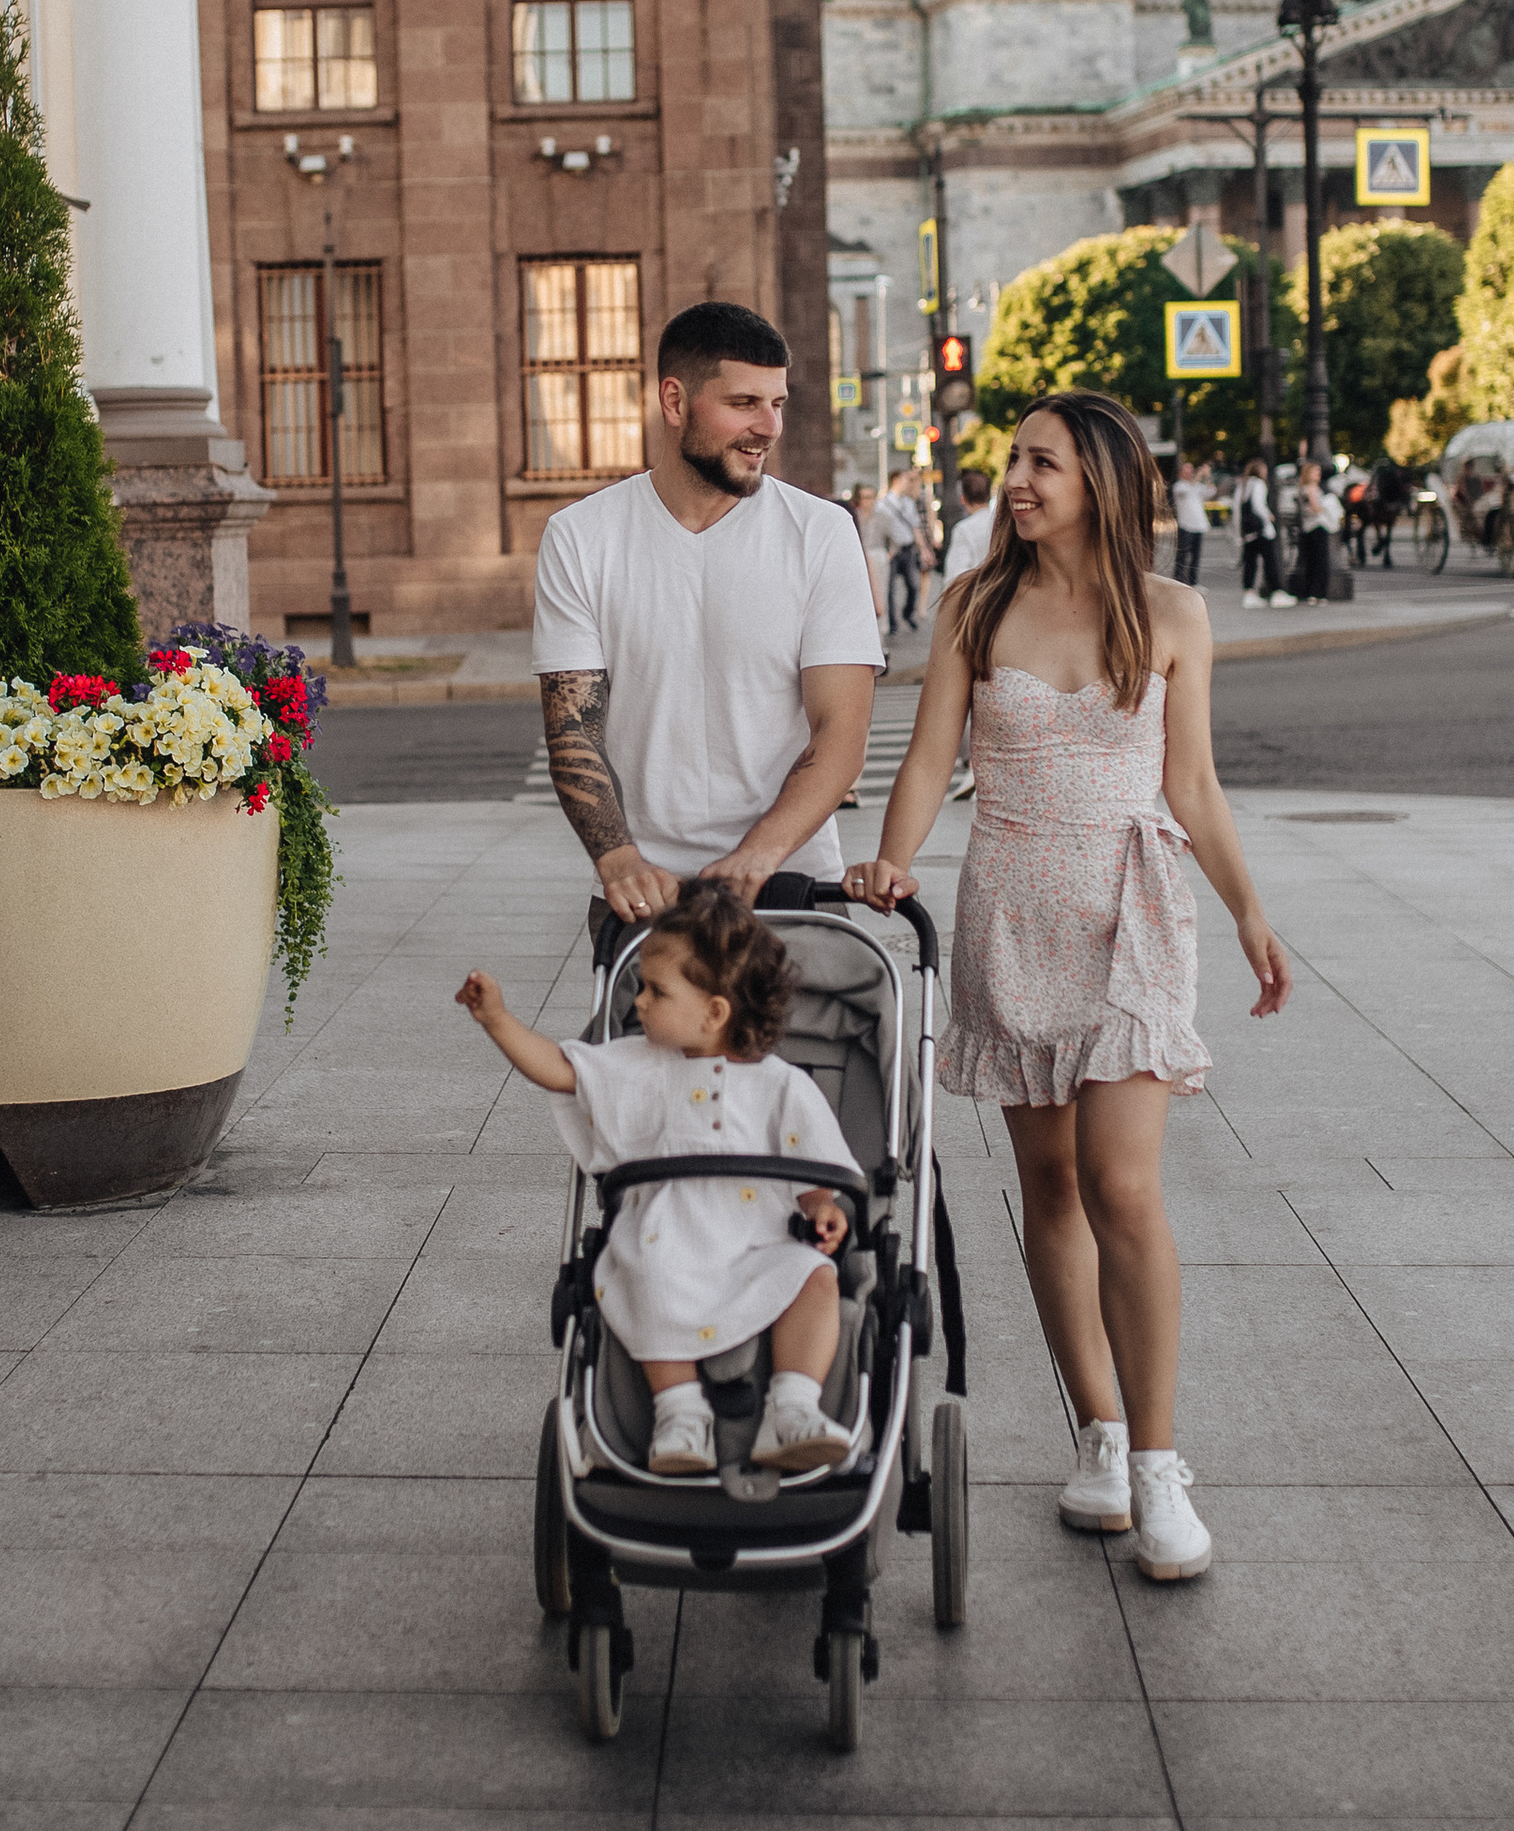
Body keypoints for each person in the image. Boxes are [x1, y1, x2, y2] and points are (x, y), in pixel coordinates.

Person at [847, 391, 1292, 1579]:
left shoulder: (1173, 614)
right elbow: (930, 757)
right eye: (1013, 461)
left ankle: (1157, 1466)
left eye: (1040, 461)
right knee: (1047, 1184)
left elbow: (1190, 784)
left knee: (1121, 1185)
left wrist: (1249, 910)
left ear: (1099, 477)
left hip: (1133, 908)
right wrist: (894, 862)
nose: (1017, 480)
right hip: (1012, 902)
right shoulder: (973, 606)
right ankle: (1093, 1434)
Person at [457, 883, 860, 1475]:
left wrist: (823, 1204)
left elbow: (813, 1161)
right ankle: (679, 1413)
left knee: (815, 1278)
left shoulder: (781, 1085)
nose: (639, 1003)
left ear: (715, 1011)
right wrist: (496, 1018)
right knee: (644, 1280)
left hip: (758, 1243)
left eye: (656, 991)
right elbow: (560, 1071)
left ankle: (792, 1409)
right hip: (665, 1239)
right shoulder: (635, 1065)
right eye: (642, 987)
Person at [532, 300, 883, 929]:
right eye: (744, 403)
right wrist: (616, 859)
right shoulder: (581, 536)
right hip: (646, 896)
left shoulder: (822, 532)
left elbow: (841, 733)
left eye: (777, 403)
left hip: (791, 884)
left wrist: (758, 857)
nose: (769, 427)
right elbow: (572, 729)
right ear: (674, 402)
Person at [869, 475, 924, 634]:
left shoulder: (908, 503)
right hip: (892, 550)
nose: (909, 483)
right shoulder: (883, 504)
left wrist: (923, 549)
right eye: (906, 480)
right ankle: (892, 623)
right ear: (896, 481)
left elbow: (915, 526)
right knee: (889, 588)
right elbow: (878, 529)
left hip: (907, 548)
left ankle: (907, 613)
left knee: (913, 586)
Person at [1236, 457, 1291, 609]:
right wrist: (1269, 516)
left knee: (1250, 563)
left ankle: (1249, 592)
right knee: (1270, 561)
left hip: (1249, 532)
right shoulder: (1259, 484)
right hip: (1261, 530)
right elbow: (1258, 506)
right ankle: (1277, 592)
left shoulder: (1244, 484)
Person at [942, 467, 996, 585]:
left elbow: (955, 577)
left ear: (963, 499)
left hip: (978, 596)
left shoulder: (963, 530)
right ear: (989, 495)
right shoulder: (1003, 524)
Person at [1294, 460, 1338, 605]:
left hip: (1306, 527)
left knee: (1310, 561)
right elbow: (1316, 507)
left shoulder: (1301, 488)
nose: (1318, 475)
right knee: (1321, 561)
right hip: (1318, 525)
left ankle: (1311, 592)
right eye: (1316, 472)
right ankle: (1319, 593)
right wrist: (1327, 507)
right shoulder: (1312, 488)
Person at [1169, 453, 1209, 587]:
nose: (1190, 472)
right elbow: (1187, 490)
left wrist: (1207, 477)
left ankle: (1193, 581)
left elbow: (1211, 491)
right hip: (1185, 524)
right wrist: (1199, 476)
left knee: (1195, 556)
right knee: (1182, 555)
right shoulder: (1179, 486)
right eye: (1187, 469)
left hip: (1199, 525)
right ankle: (1178, 580)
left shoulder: (1196, 486)